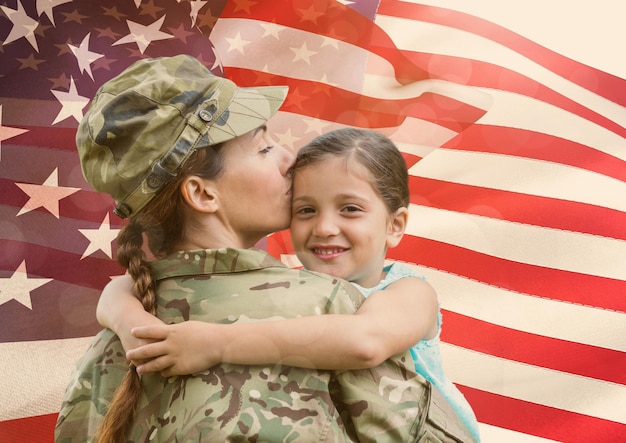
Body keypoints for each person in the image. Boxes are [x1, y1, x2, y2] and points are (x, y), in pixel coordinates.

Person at [54, 55, 476, 443]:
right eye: (263, 147)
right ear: (202, 194)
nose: (288, 157)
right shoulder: (331, 308)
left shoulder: (110, 348)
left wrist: (126, 318)